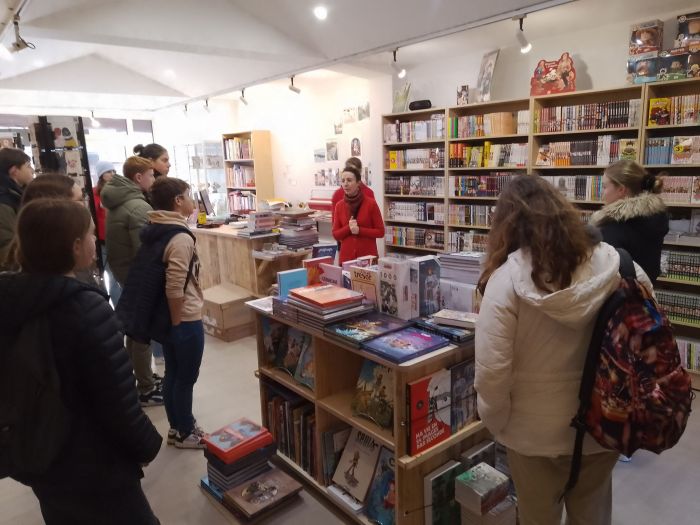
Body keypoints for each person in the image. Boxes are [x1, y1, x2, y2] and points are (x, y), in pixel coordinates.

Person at [475, 175, 653, 525]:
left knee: (537, 517)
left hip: (532, 437)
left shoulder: (505, 282)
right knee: (593, 514)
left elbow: (492, 374)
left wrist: (500, 425)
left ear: (506, 225)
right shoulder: (620, 265)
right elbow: (650, 337)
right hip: (604, 424)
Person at [0, 198, 162, 524]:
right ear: (75, 246)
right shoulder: (85, 308)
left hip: (38, 450)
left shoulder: (10, 297)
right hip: (93, 460)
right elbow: (117, 399)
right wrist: (146, 445)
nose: (94, 239)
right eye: (89, 233)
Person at [147, 177, 205, 448]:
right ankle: (185, 431)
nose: (192, 200)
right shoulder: (180, 237)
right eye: (188, 195)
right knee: (186, 377)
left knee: (173, 373)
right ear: (178, 201)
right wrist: (178, 323)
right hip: (184, 316)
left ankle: (176, 428)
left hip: (169, 317)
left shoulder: (157, 227)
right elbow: (174, 286)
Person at [101, 156, 163, 406]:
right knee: (141, 332)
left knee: (135, 329)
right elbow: (146, 251)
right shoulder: (137, 206)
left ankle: (142, 378)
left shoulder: (121, 200)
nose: (153, 179)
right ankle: (146, 388)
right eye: (151, 175)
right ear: (139, 177)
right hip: (139, 277)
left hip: (126, 272)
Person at [592, 160, 668, 283]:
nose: (602, 192)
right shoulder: (656, 217)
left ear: (621, 190)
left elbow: (602, 275)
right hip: (645, 290)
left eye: (605, 187)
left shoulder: (613, 226)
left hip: (620, 292)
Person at [332, 164, 384, 265]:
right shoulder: (339, 205)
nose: (345, 184)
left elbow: (380, 232)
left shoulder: (371, 204)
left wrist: (359, 230)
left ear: (358, 183)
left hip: (368, 259)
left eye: (349, 180)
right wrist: (348, 228)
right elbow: (336, 234)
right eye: (343, 181)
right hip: (346, 260)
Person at [0, 148, 33, 269]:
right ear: (14, 171)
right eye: (28, 166)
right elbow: (6, 244)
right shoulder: (4, 200)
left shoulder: (17, 194)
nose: (32, 170)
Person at [93, 161, 119, 303]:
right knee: (107, 275)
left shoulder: (118, 191)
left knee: (116, 275)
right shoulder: (94, 193)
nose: (112, 174)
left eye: (114, 171)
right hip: (101, 240)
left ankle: (120, 306)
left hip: (116, 238)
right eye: (109, 172)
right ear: (101, 175)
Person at [331, 157, 374, 223]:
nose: (350, 173)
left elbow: (373, 222)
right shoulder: (337, 194)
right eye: (348, 170)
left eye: (354, 171)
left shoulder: (369, 193)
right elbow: (335, 223)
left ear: (359, 172)